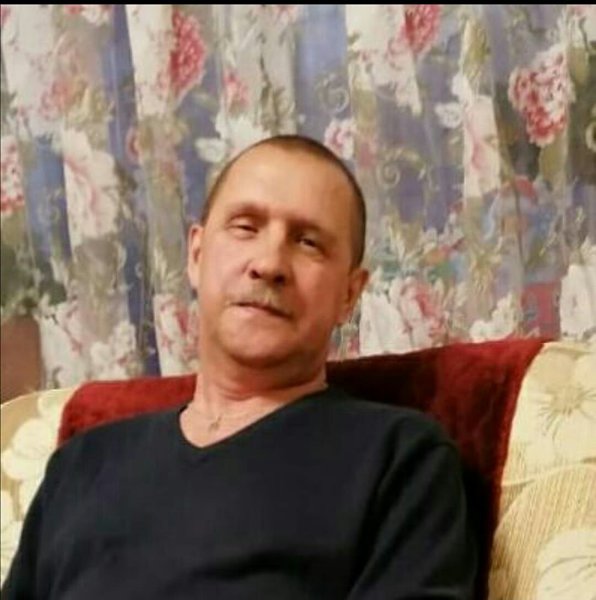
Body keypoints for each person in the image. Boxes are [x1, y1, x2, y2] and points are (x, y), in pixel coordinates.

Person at [3, 135, 476, 599]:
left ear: (349, 294)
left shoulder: (401, 459)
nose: (269, 263)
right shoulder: (82, 463)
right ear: (196, 254)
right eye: (246, 227)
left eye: (308, 242)